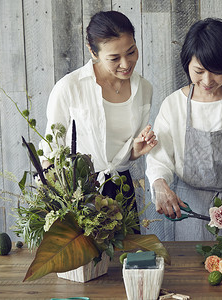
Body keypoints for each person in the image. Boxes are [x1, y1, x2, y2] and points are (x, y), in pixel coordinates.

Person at [146, 18, 222, 241]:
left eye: (217, 72)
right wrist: (160, 184)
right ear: (187, 64)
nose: (208, 80)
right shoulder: (173, 105)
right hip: (189, 209)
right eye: (199, 71)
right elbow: (159, 159)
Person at [41, 11, 157, 203]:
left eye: (131, 52)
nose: (126, 64)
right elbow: (50, 153)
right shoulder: (70, 87)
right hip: (77, 192)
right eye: (114, 58)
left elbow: (120, 154)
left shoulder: (144, 89)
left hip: (121, 188)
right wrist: (60, 202)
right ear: (93, 52)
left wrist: (135, 151)